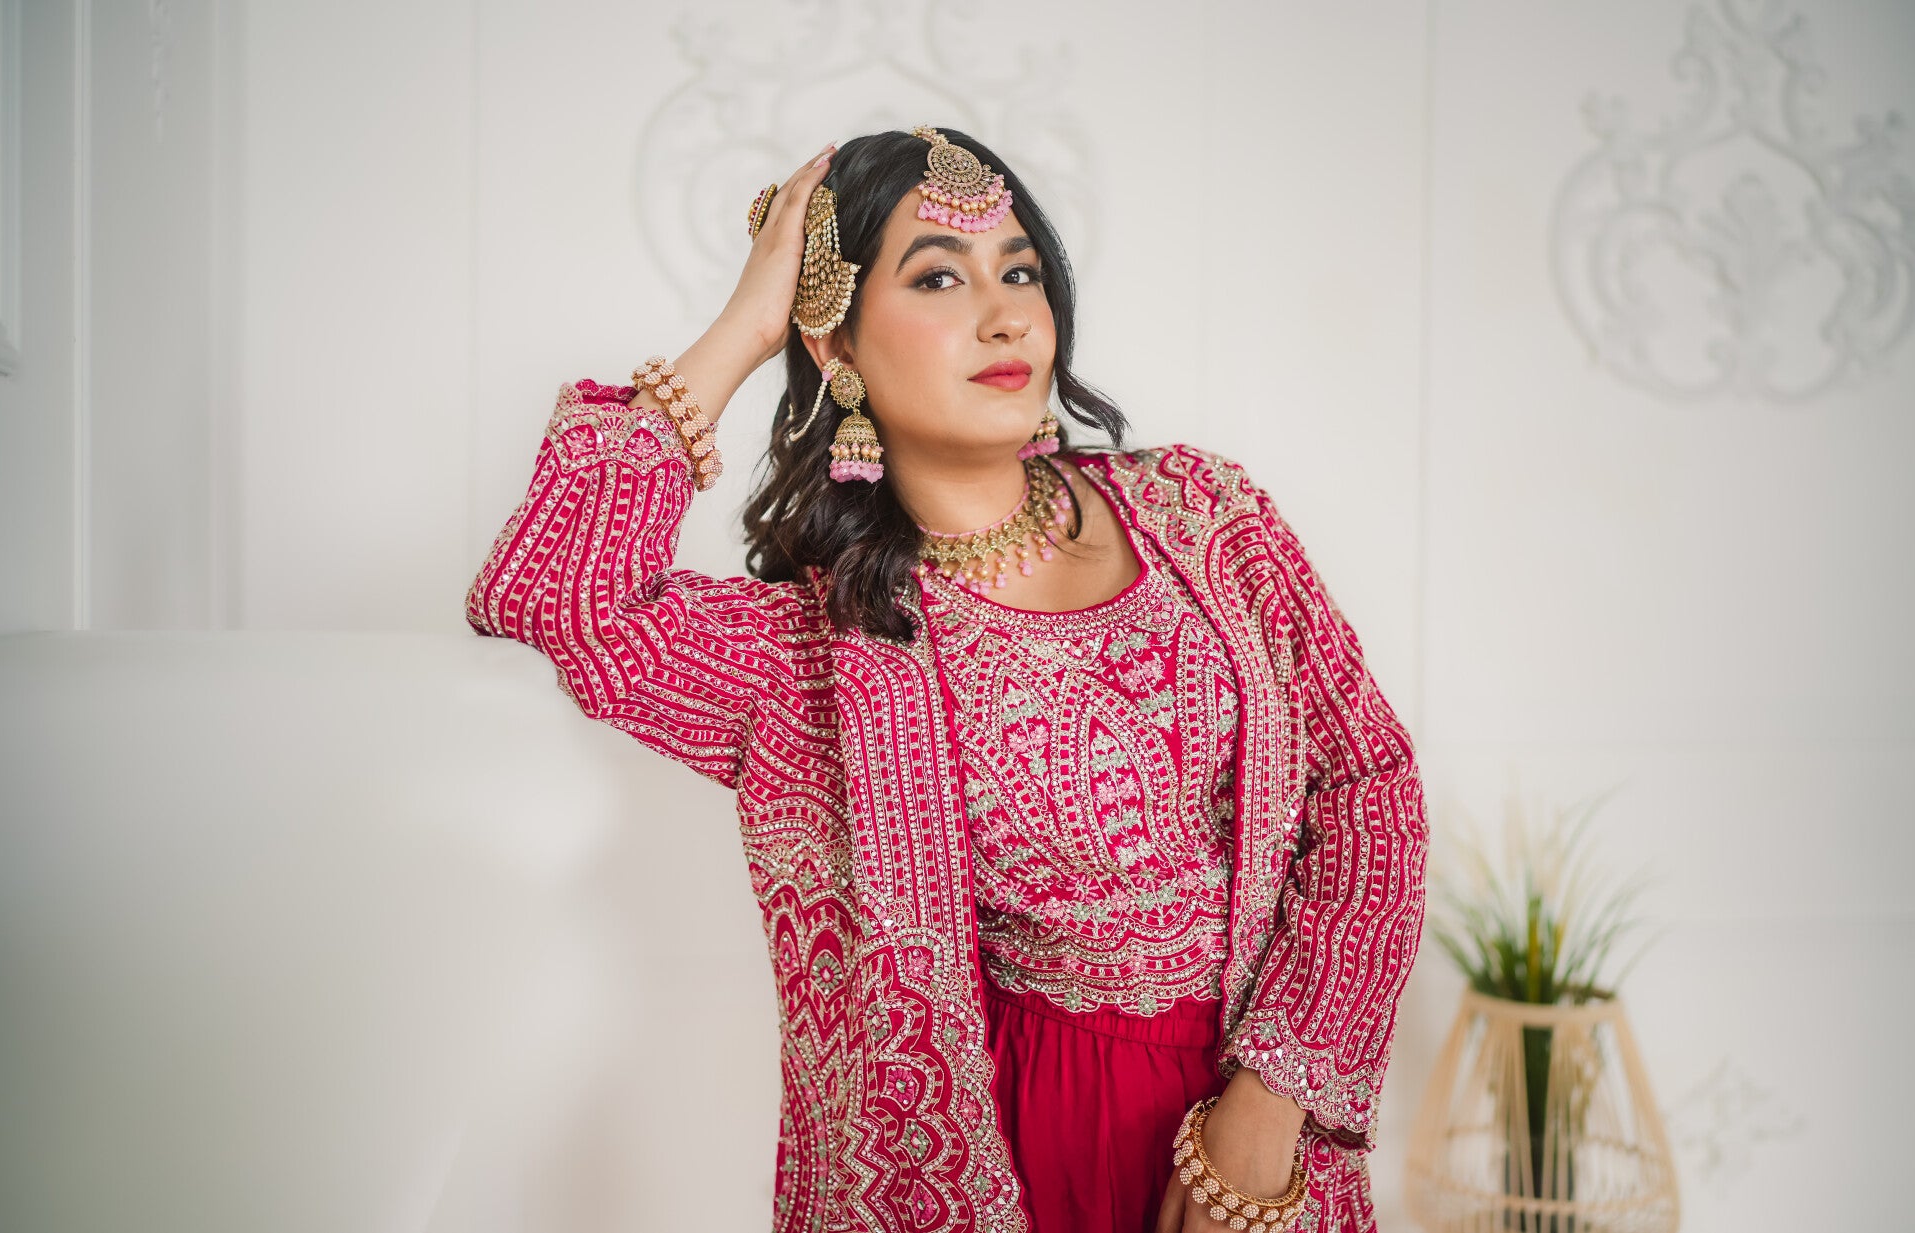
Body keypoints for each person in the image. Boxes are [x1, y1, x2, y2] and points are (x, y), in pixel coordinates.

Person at [464, 127, 1429, 1233]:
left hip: (1259, 1130)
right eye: (936, 278)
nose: (1006, 314)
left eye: (1019, 271)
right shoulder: (818, 652)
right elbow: (551, 598)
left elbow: (1368, 787)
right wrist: (748, 326)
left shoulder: (1204, 515)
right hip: (1008, 1158)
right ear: (836, 343)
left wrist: (1266, 1112)